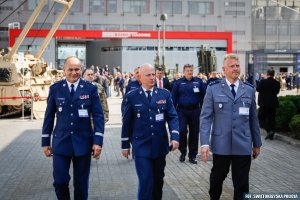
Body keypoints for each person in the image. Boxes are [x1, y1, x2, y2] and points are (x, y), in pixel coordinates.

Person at [200, 53, 262, 200]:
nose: (235, 69)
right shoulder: (213, 89)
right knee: (217, 179)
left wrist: (257, 143)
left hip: (243, 144)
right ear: (224, 69)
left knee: (242, 184)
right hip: (221, 143)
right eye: (232, 66)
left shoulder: (248, 89)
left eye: (237, 66)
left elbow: (253, 118)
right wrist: (204, 143)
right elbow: (205, 117)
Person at [41, 56, 105, 200]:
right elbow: (49, 116)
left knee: (81, 184)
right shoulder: (55, 89)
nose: (74, 72)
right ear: (64, 70)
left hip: (83, 143)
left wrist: (98, 141)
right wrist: (45, 142)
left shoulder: (90, 89)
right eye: (70, 69)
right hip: (61, 143)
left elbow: (98, 116)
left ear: (81, 70)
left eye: (77, 69)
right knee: (60, 181)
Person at [121, 63, 179, 200]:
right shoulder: (132, 96)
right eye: (148, 75)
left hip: (160, 145)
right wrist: (125, 145)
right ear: (140, 77)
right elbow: (126, 122)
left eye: (153, 74)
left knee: (158, 182)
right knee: (146, 181)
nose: (152, 77)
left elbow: (172, 116)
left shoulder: (164, 94)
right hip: (141, 146)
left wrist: (175, 136)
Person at [171, 64, 206, 164]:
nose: (190, 72)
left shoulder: (198, 82)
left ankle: (192, 156)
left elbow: (205, 96)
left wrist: (203, 109)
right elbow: (173, 98)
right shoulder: (178, 82)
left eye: (191, 70)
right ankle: (183, 151)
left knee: (194, 133)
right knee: (182, 131)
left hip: (195, 111)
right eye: (188, 70)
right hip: (181, 111)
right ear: (184, 71)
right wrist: (172, 112)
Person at [256, 68, 280, 140]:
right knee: (272, 119)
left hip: (264, 103)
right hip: (273, 103)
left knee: (260, 118)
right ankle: (271, 135)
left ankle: (269, 131)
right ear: (273, 74)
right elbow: (277, 92)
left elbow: (258, 89)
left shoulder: (263, 81)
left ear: (267, 74)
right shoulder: (277, 83)